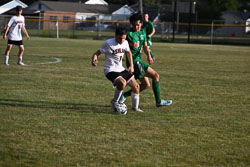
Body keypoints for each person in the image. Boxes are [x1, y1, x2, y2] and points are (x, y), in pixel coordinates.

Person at [119, 13, 172, 108]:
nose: (136, 26)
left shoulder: (143, 32)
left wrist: (149, 56)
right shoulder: (129, 34)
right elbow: (120, 43)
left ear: (141, 24)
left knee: (145, 85)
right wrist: (130, 44)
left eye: (138, 24)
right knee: (155, 76)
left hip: (138, 60)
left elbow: (145, 46)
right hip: (134, 62)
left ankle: (124, 95)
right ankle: (159, 101)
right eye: (134, 25)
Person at [91, 26, 143, 113]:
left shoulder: (125, 42)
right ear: (115, 35)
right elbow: (96, 53)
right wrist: (94, 59)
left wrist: (131, 65)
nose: (121, 41)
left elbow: (128, 52)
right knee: (122, 83)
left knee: (136, 87)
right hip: (110, 70)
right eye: (120, 38)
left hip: (121, 69)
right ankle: (115, 102)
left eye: (123, 38)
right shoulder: (108, 43)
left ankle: (135, 108)